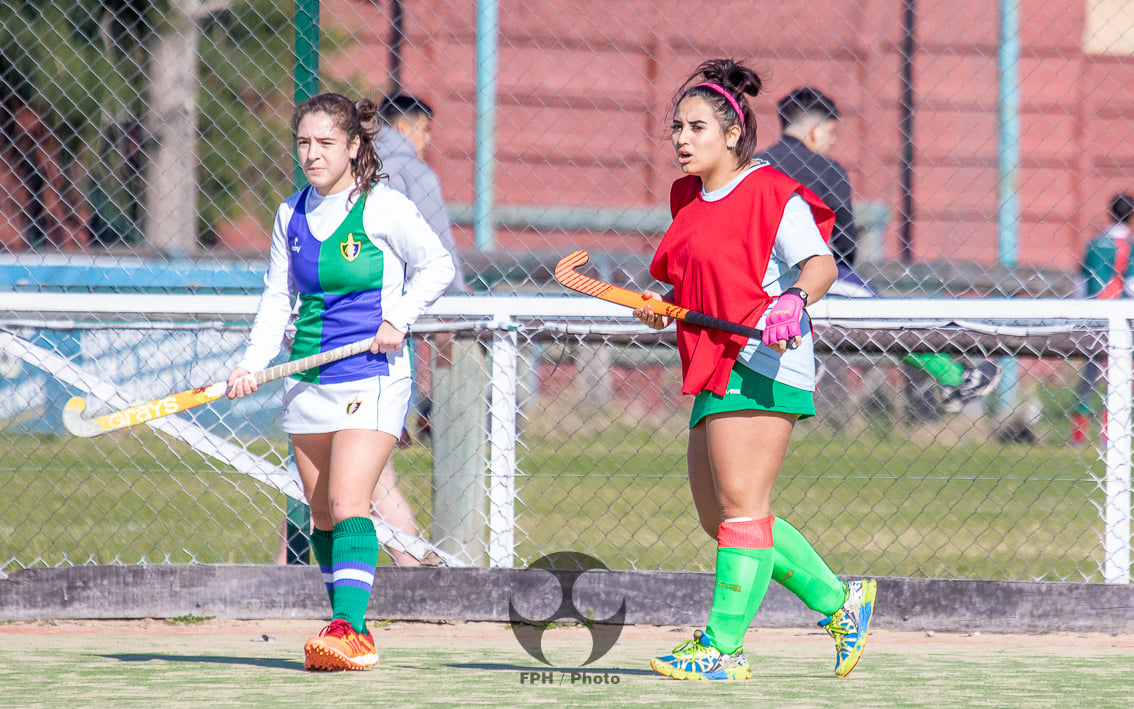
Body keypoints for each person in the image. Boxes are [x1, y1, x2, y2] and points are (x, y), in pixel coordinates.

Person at [635, 59, 875, 681]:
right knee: (721, 516)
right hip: (713, 363)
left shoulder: (771, 192)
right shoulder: (687, 196)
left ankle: (722, 648)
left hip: (764, 361)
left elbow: (819, 264)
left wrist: (793, 298)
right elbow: (693, 277)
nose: (681, 139)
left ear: (733, 134)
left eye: (696, 128)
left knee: (741, 507)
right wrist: (665, 307)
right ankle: (839, 602)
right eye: (676, 128)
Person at [227, 92, 454, 671]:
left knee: (349, 499)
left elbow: (439, 265)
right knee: (321, 512)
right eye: (303, 142)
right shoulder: (290, 214)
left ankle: (348, 628)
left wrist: (397, 318)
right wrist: (251, 363)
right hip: (306, 377)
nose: (312, 153)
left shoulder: (383, 207)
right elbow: (278, 301)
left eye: (326, 142)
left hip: (372, 373)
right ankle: (351, 630)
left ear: (354, 147)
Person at [758, 87, 1000, 414]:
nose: (831, 142)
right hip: (806, 277)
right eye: (830, 133)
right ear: (815, 130)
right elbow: (844, 242)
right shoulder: (827, 169)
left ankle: (794, 360)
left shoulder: (755, 166)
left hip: (757, 279)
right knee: (881, 314)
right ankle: (958, 377)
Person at [1071, 193, 1134, 445]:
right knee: (1118, 376)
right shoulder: (1128, 246)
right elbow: (1130, 283)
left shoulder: (1095, 243)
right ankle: (1110, 435)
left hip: (1094, 314)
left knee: (1089, 375)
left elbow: (1081, 281)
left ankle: (1078, 436)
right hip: (1119, 315)